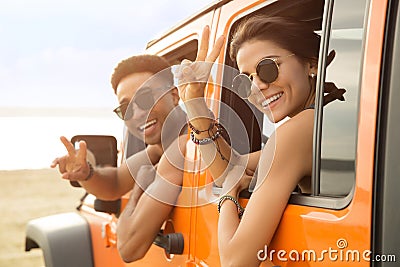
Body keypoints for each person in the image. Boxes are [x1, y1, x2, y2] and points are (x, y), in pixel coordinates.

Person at [176, 16, 345, 266]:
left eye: (268, 68)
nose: (257, 87)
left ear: (312, 64)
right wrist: (195, 105)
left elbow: (236, 262)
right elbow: (233, 167)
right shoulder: (327, 121)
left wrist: (228, 196)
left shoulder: (294, 133)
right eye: (246, 80)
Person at [51, 54, 188, 262]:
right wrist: (86, 173)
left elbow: (127, 247)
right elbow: (115, 183)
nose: (138, 113)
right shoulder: (160, 149)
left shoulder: (184, 145)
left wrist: (138, 190)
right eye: (126, 108)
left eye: (145, 98)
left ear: (175, 95)